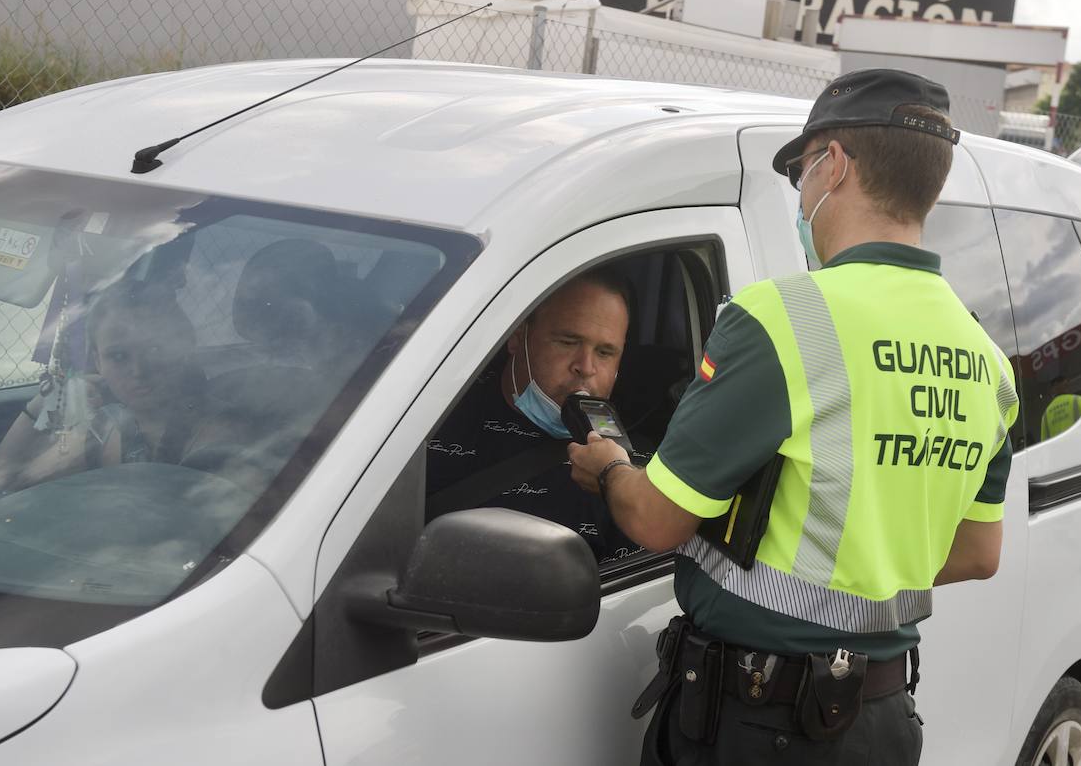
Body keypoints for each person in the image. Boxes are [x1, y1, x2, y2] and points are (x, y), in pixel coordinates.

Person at [569, 69, 1021, 765]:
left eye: (801, 175)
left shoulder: (785, 318)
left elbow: (657, 520)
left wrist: (609, 471)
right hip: (883, 722)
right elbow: (976, 553)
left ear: (833, 164)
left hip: (759, 725)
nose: (802, 195)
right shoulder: (985, 359)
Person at [426, 268, 649, 564]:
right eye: (568, 342)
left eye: (605, 352)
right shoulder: (428, 418)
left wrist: (617, 480)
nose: (586, 366)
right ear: (518, 336)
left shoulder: (636, 475)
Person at [0, 285, 225, 491]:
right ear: (98, 363)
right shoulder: (104, 433)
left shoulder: (216, 438)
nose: (139, 370)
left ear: (182, 349)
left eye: (154, 350)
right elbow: (1, 484)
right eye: (118, 356)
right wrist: (46, 400)